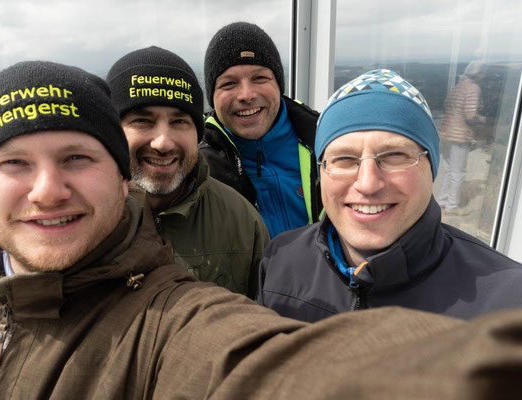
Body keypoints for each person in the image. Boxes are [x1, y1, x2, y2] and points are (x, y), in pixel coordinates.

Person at [0, 61, 522, 400]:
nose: (48, 189)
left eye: (77, 158)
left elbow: (256, 362)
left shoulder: (171, 312)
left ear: (116, 177)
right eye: (13, 163)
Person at [257, 69, 522, 322]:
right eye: (344, 159)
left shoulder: (506, 301)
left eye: (395, 156)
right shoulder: (280, 263)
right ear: (321, 173)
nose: (368, 183)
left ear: (432, 169)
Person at [106, 46, 269, 297]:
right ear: (112, 131)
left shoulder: (242, 222)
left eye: (179, 121)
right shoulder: (82, 216)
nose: (163, 142)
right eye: (142, 121)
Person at [200, 21, 322, 238]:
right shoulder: (198, 166)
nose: (246, 95)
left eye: (259, 78)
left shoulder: (325, 142)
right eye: (229, 84)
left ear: (278, 84)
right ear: (212, 97)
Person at [438, 60, 486, 212]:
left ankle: (442, 200)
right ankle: (452, 205)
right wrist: (484, 120)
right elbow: (471, 115)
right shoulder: (473, 88)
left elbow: (446, 107)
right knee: (458, 172)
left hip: (447, 133)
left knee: (448, 170)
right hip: (459, 135)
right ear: (479, 74)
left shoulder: (458, 86)